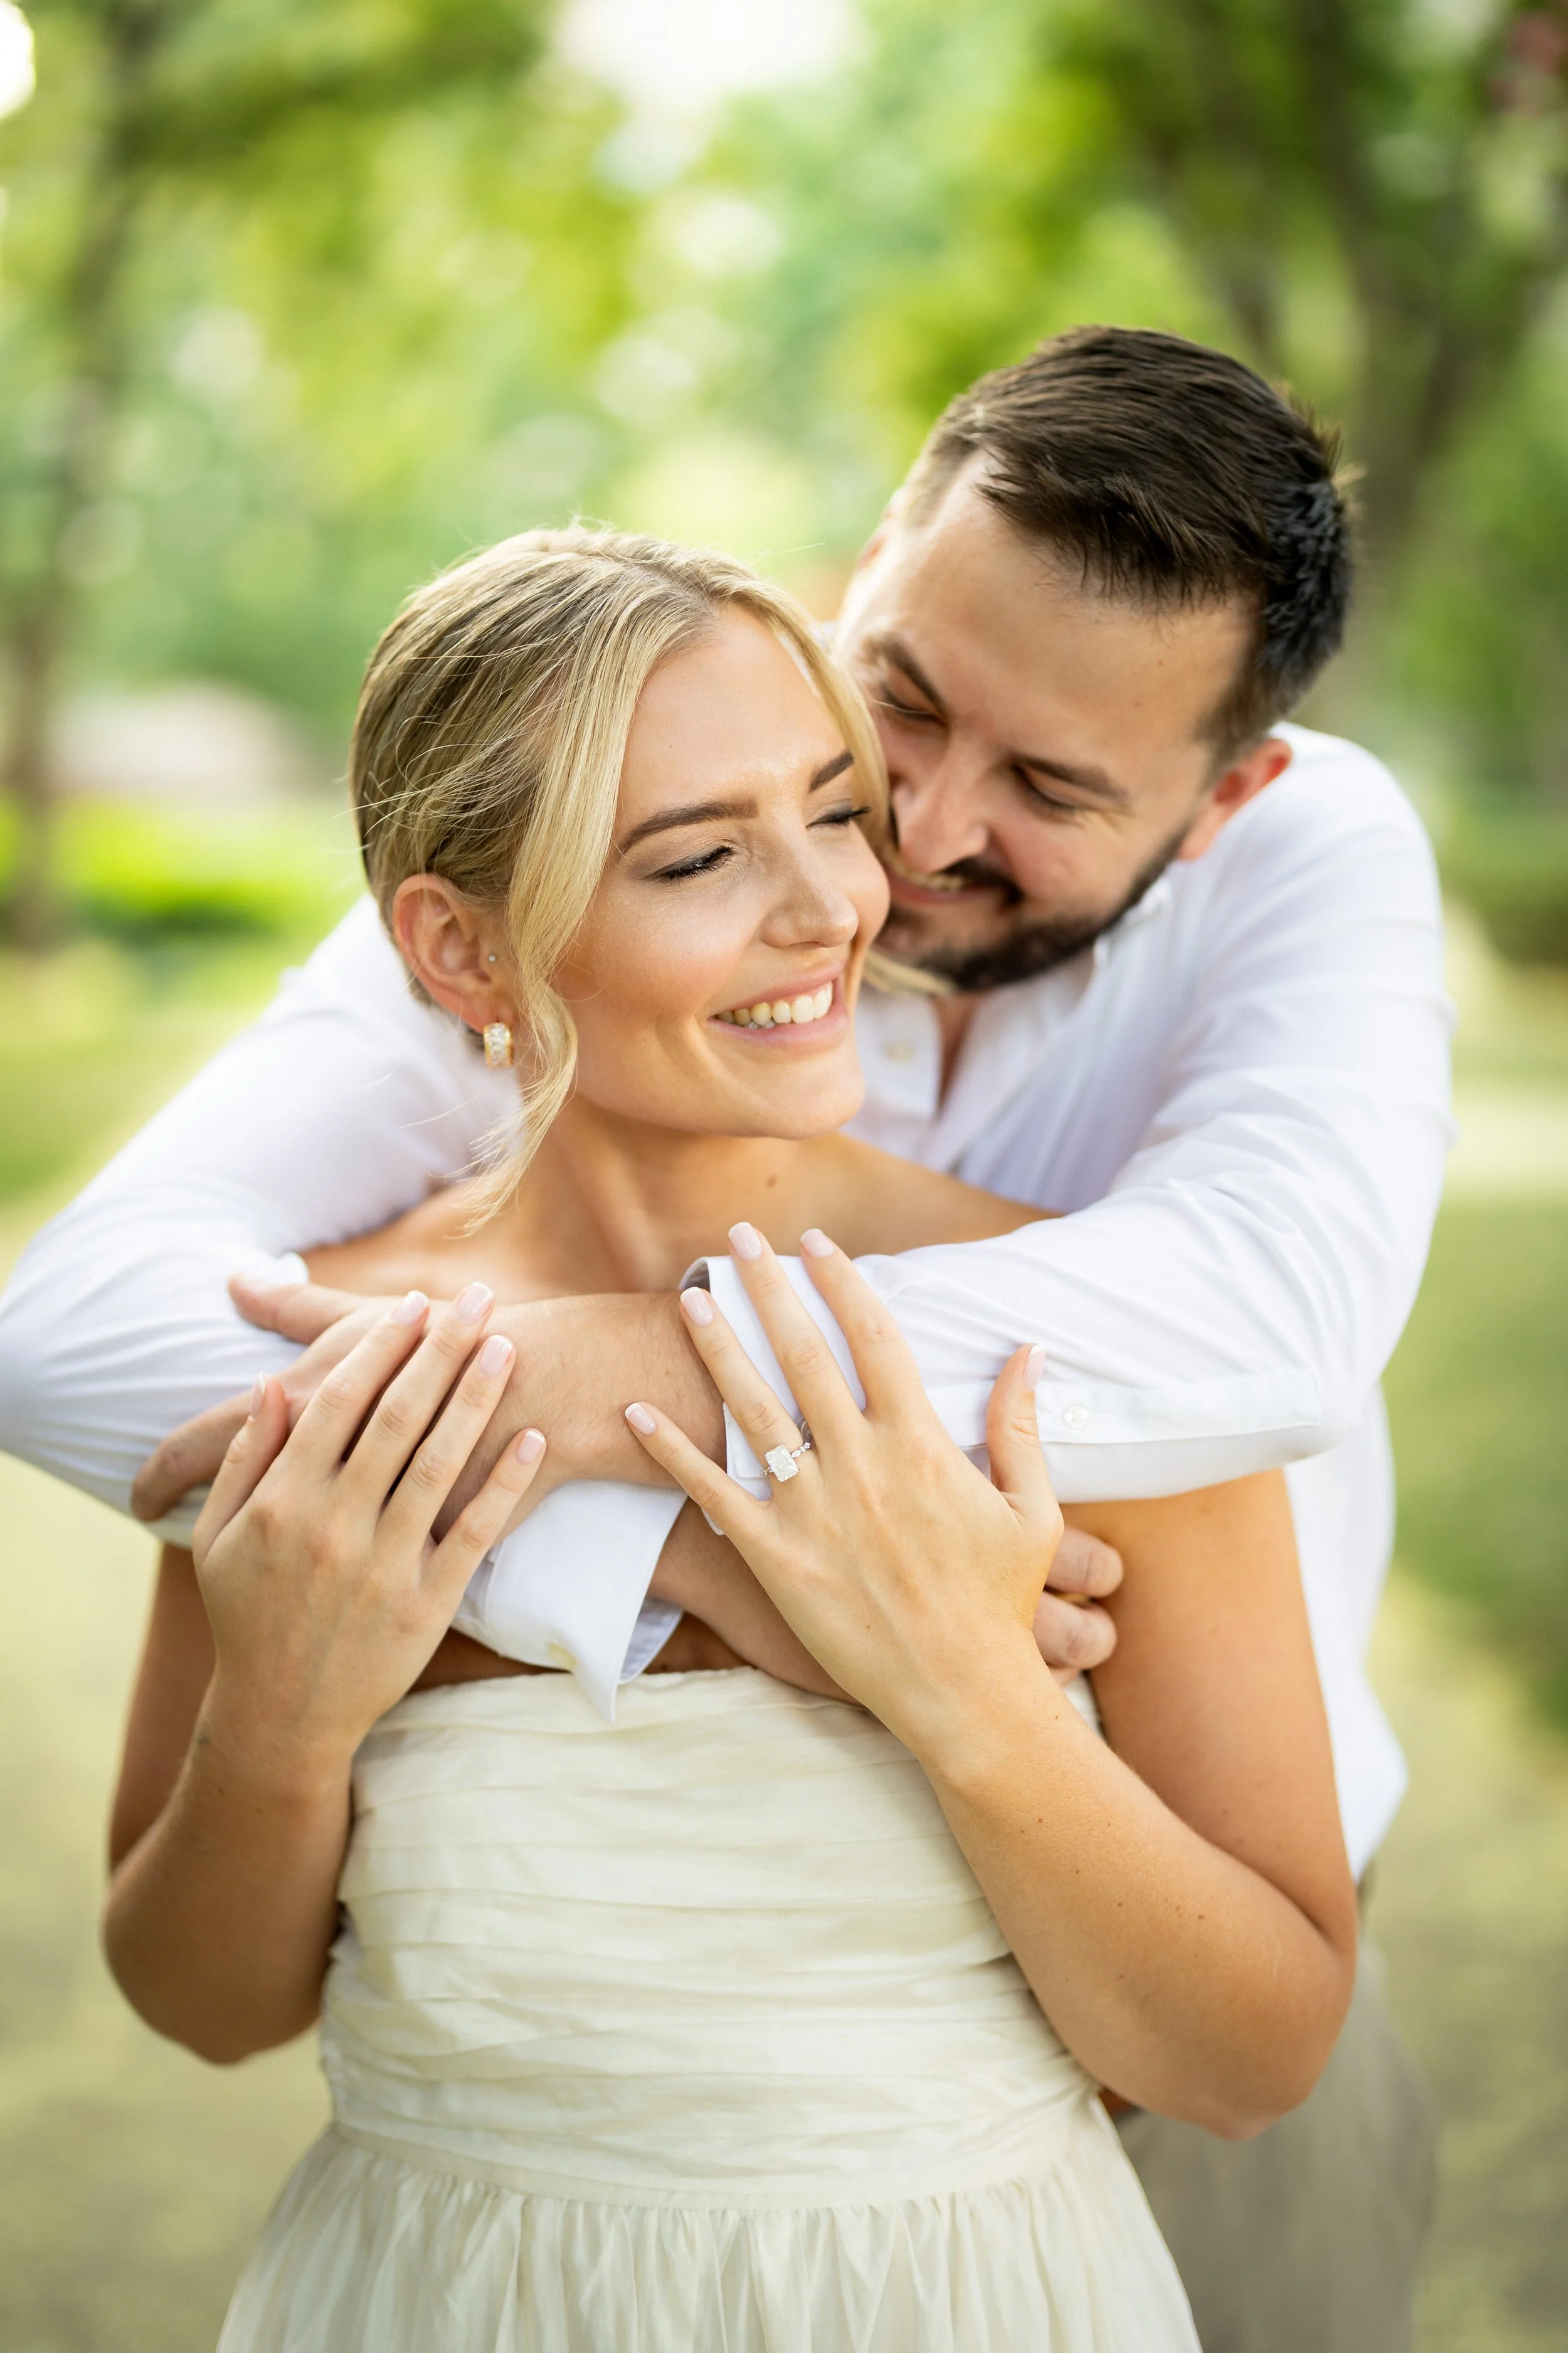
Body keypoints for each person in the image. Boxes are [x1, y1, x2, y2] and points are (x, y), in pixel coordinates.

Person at [0, 327, 1448, 2347]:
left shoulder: (1108, 1340)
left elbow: (1271, 1338)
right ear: (459, 949)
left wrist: (931, 1653)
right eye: (891, 718)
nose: (883, 858)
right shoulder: (345, 1368)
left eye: (1040, 786)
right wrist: (645, 1558)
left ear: (1218, 799)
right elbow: (203, 1985)